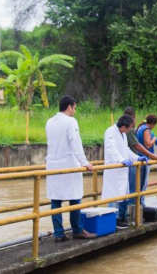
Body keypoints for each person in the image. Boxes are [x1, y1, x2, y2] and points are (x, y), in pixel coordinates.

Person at [45, 96, 96, 242]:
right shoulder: (70, 121)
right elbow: (75, 143)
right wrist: (85, 162)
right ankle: (77, 230)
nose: (75, 111)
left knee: (55, 200)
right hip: (68, 165)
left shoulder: (50, 122)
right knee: (75, 198)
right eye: (74, 107)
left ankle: (59, 233)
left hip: (53, 165)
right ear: (69, 107)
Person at [102, 115, 148, 227]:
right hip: (114, 169)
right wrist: (121, 160)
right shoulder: (110, 132)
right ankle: (112, 221)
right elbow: (111, 148)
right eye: (129, 128)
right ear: (123, 126)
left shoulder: (123, 134)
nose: (129, 130)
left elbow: (125, 149)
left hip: (122, 170)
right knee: (114, 197)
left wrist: (137, 157)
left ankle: (120, 218)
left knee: (123, 196)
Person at [133, 115, 157, 206]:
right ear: (153, 123)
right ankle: (141, 204)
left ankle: (138, 203)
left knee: (138, 183)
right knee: (143, 183)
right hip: (144, 159)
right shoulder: (146, 130)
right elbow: (148, 145)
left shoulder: (140, 128)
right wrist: (154, 139)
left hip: (139, 158)